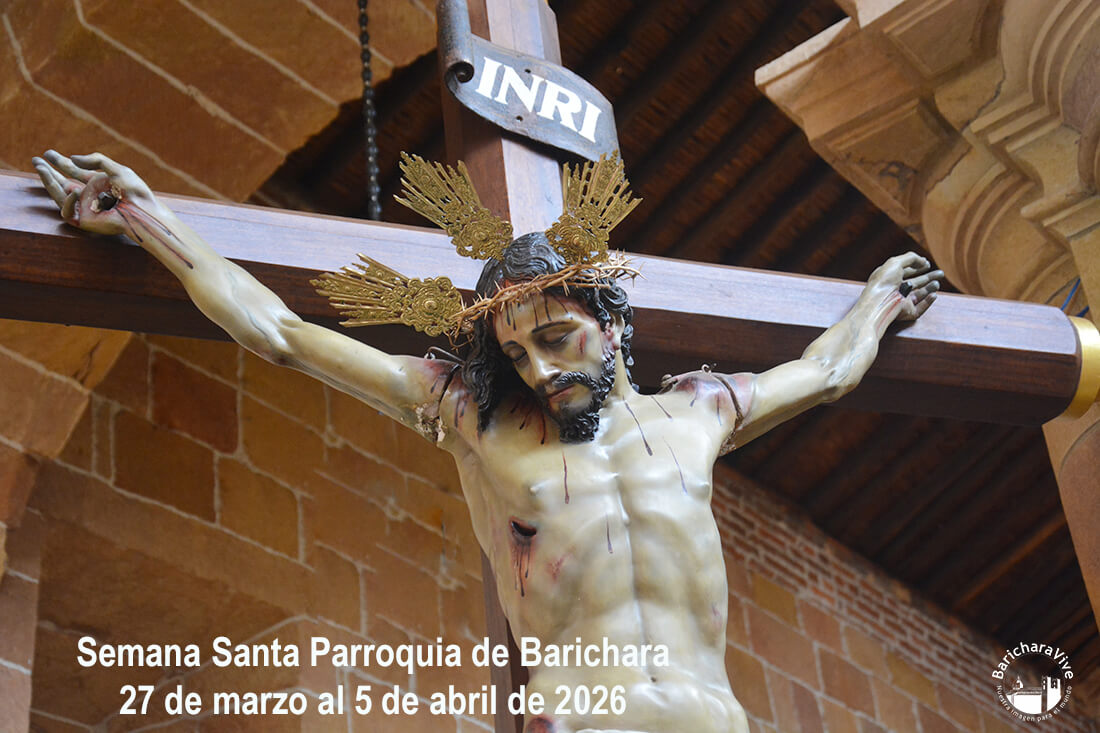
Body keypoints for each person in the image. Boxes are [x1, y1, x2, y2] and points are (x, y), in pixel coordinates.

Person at [33, 150, 941, 733]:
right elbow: (277, 332)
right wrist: (149, 222)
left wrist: (878, 301)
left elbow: (827, 372)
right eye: (517, 354)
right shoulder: (477, 416)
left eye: (556, 340)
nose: (541, 373)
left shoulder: (699, 412)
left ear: (610, 322)